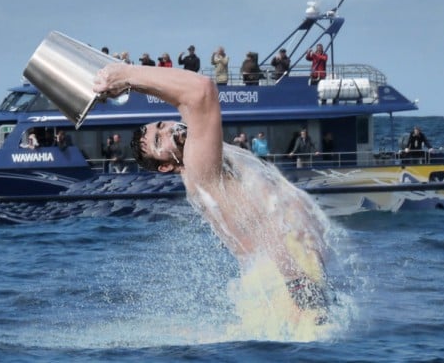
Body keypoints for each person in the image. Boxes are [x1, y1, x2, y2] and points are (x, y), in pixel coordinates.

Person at [93, 63, 332, 327]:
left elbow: (187, 105)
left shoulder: (206, 155)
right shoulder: (199, 169)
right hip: (289, 281)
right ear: (165, 167)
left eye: (161, 125)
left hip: (284, 279)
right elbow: (201, 92)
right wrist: (125, 76)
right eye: (159, 142)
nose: (168, 132)